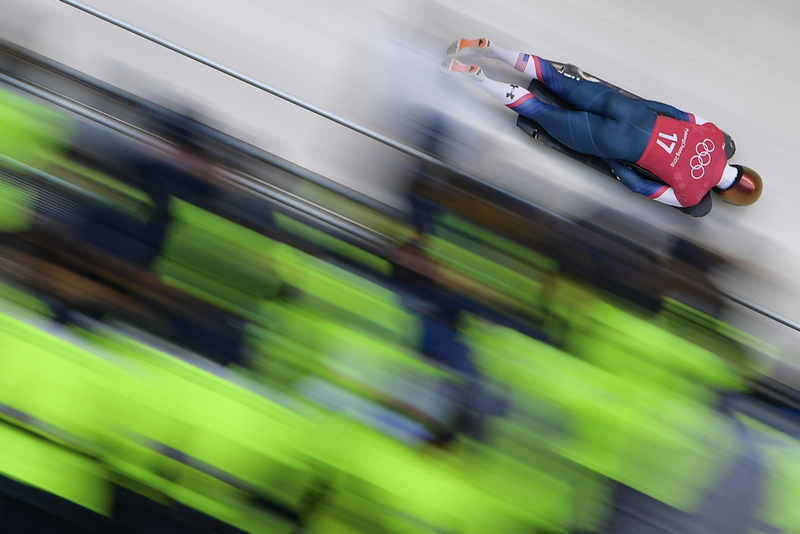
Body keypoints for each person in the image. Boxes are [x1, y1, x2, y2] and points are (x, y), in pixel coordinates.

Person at [442, 38, 762, 216]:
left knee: (555, 78)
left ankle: (490, 48)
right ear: (729, 195)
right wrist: (609, 159)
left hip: (629, 110)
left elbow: (675, 113)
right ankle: (475, 75)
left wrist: (640, 108)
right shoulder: (690, 197)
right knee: (541, 112)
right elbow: (639, 186)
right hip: (613, 143)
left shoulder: (716, 136)